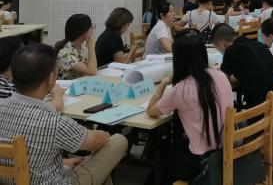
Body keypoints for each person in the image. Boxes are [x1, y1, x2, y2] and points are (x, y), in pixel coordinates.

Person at [0, 44, 127, 185]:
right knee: (118, 141)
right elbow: (98, 141)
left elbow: (23, 156)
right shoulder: (53, 122)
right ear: (51, 78)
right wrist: (104, 135)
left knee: (97, 169)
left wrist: (63, 162)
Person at [147, 37, 233, 182]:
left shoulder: (181, 89)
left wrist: (162, 84)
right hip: (227, 151)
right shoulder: (220, 75)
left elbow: (151, 111)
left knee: (162, 153)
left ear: (179, 60)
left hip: (203, 162)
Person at [212, 23, 273, 109]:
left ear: (221, 44)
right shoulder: (258, 44)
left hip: (261, 110)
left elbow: (223, 83)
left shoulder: (231, 51)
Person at [55, 14, 97, 80]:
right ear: (83, 31)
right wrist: (91, 47)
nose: (92, 29)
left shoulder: (83, 48)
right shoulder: (64, 53)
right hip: (66, 85)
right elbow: (92, 71)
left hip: (80, 83)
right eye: (91, 26)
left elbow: (92, 69)